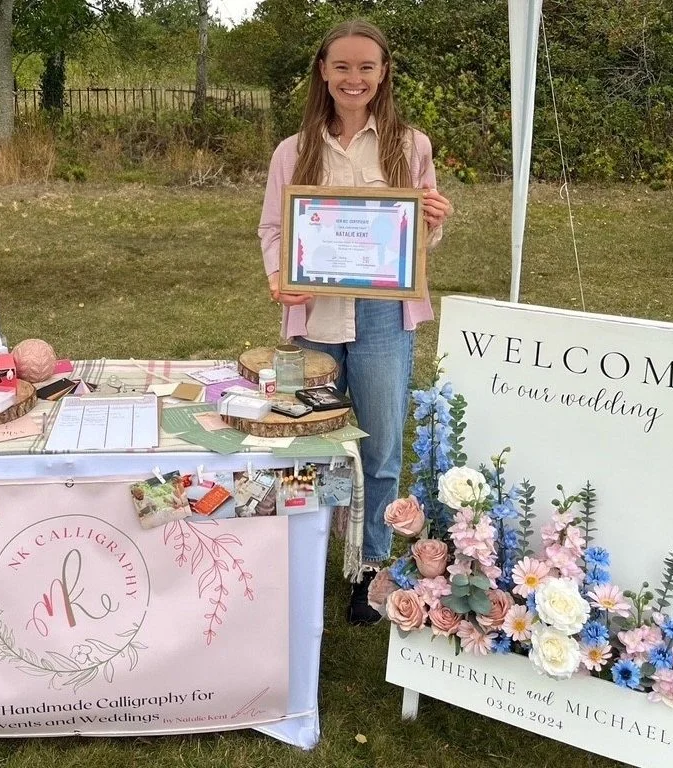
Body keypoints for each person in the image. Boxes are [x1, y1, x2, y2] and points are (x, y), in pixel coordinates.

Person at [258, 19, 453, 625]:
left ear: (383, 73)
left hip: (383, 317)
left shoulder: (410, 146)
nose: (354, 78)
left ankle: (369, 565)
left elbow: (418, 241)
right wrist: (280, 275)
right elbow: (274, 229)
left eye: (366, 66)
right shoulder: (293, 151)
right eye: (341, 66)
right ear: (323, 71)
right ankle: (304, 553)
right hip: (313, 315)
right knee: (307, 439)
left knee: (381, 447)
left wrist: (433, 221)